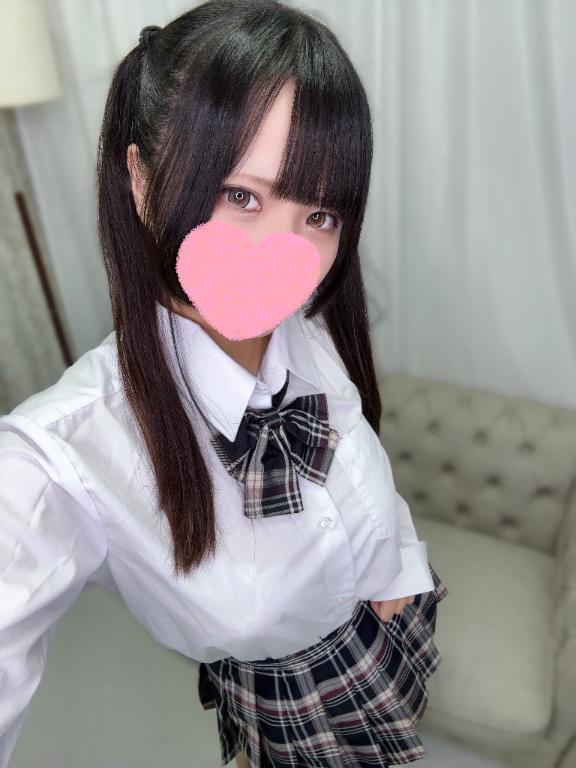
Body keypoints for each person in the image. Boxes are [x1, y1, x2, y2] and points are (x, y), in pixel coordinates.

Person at [0, 1, 449, 767]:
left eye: (320, 213)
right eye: (242, 196)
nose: (285, 254)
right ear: (141, 178)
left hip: (393, 637)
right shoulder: (60, 456)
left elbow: (358, 454)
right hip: (289, 719)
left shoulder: (310, 325)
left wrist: (398, 567)